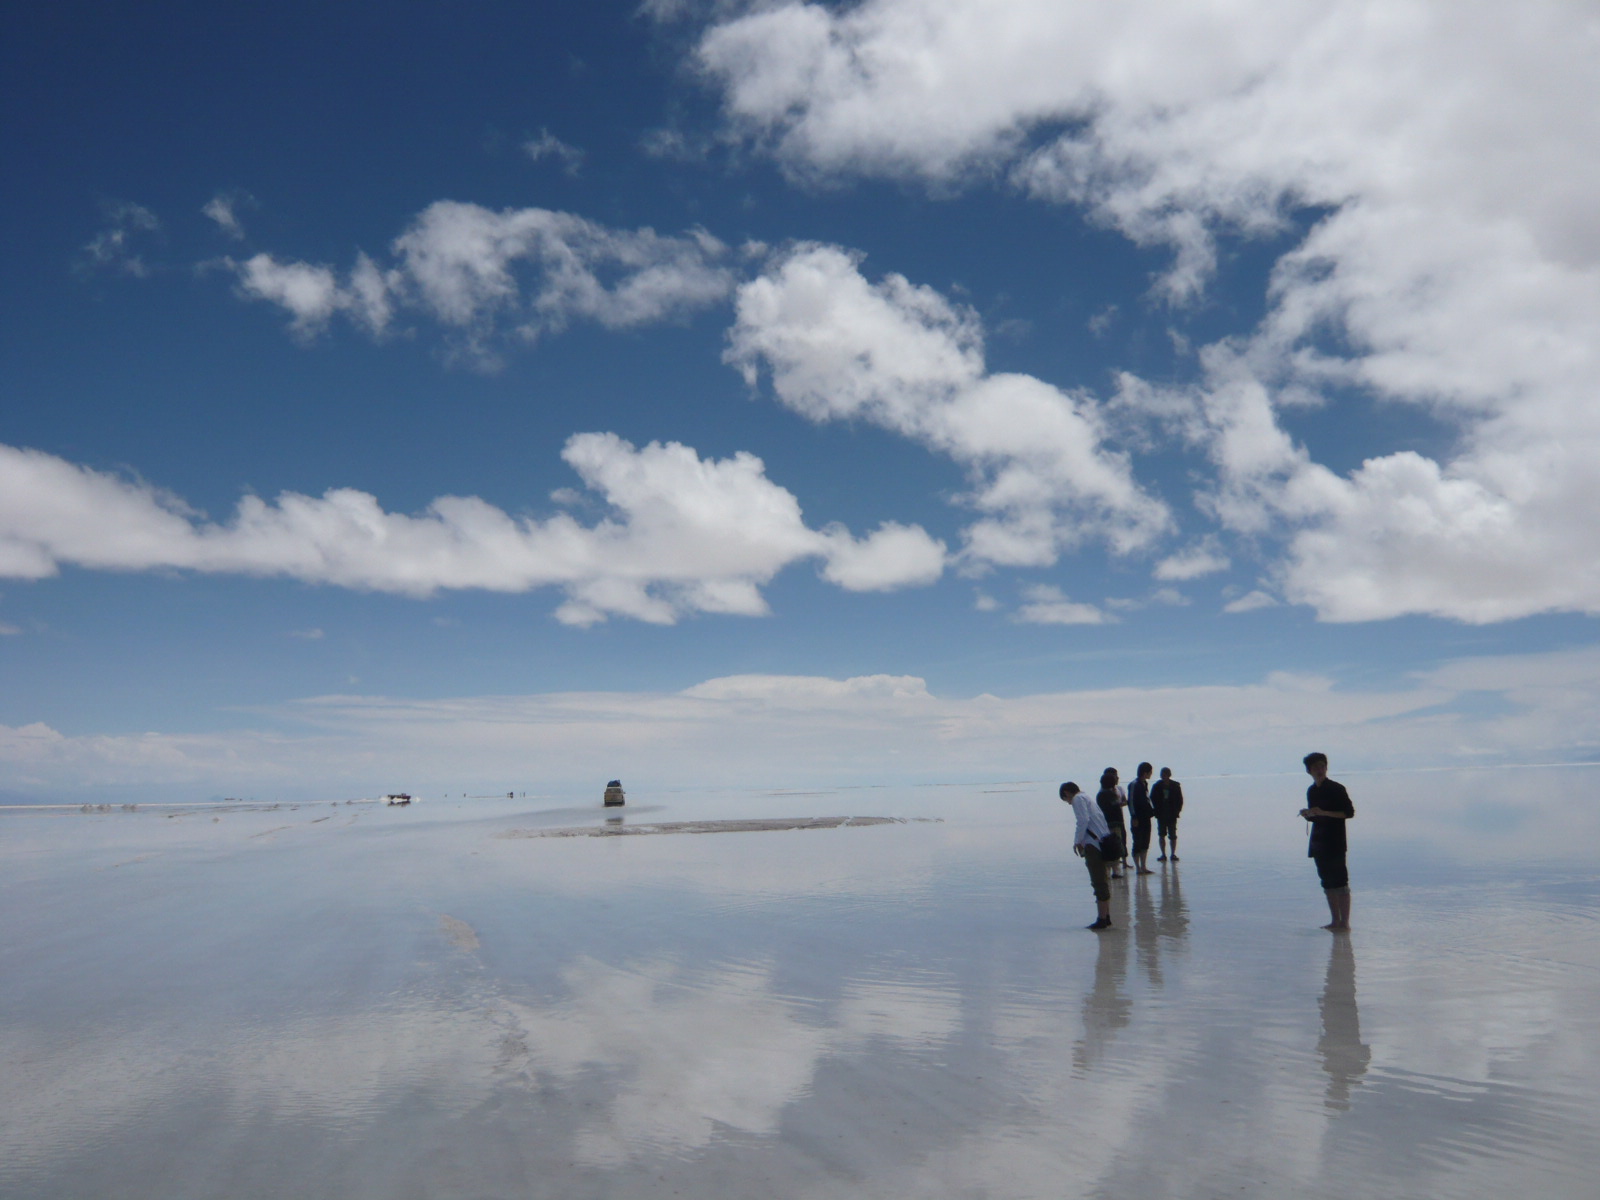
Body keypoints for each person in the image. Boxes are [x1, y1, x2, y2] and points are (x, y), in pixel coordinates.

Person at [1300, 752, 1354, 931]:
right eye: (1315, 767)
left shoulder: (1337, 788)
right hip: (1318, 842)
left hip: (1335, 841)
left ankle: (1344, 923)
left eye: (1322, 766)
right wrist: (1308, 814)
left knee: (1341, 882)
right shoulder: (1312, 790)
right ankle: (1335, 921)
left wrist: (1323, 812)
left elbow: (1348, 813)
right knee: (1327, 883)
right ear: (1309, 771)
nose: (1320, 770)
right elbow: (1315, 819)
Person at [1061, 781, 1114, 930]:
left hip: (1093, 845)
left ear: (1067, 793)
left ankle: (1102, 919)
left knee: (1098, 881)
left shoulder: (1078, 799)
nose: (1068, 803)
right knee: (1102, 879)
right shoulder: (1087, 797)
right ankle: (1106, 916)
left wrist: (1077, 841)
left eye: (1066, 800)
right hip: (1102, 842)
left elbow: (1083, 820)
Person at [1096, 768, 1129, 878]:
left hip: (1106, 823)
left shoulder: (1101, 794)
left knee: (1110, 845)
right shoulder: (1108, 794)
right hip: (1113, 823)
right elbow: (1115, 806)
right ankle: (1114, 870)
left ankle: (1110, 870)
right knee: (1114, 845)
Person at [1127, 762, 1155, 874]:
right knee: (1137, 841)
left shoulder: (1144, 784)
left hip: (1146, 817)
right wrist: (1134, 817)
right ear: (1145, 772)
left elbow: (1147, 799)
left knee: (1145, 841)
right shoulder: (1134, 784)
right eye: (1150, 772)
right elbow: (1131, 802)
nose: (1151, 774)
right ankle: (1138, 867)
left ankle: (1143, 866)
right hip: (1137, 818)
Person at [1151, 767, 1184, 861]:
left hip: (1172, 814)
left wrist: (1177, 811)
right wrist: (1156, 810)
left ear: (1169, 775)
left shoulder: (1175, 786)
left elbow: (1180, 800)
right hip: (1161, 814)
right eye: (1162, 774)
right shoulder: (1157, 786)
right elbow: (1152, 798)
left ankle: (1173, 854)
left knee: (1173, 835)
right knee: (1161, 834)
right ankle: (1163, 854)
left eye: (1165, 774)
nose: (1163, 776)